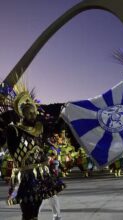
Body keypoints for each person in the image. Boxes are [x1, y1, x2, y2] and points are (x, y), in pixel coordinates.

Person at [0, 82, 65, 220]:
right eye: (30, 113)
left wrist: (63, 113)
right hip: (25, 177)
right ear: (22, 114)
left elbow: (55, 128)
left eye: (34, 112)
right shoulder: (14, 130)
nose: (33, 115)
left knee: (36, 208)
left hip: (41, 175)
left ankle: (54, 216)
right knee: (28, 211)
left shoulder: (39, 130)